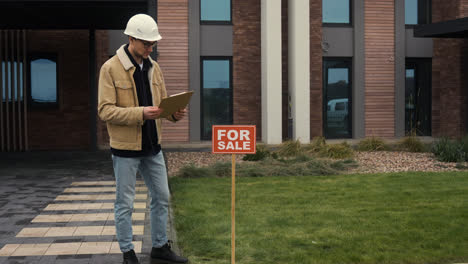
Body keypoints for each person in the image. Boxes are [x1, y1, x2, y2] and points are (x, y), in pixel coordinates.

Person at [98, 13, 188, 264]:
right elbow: (105, 110)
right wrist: (141, 113)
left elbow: (161, 107)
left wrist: (174, 114)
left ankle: (160, 246)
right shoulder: (110, 69)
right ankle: (128, 253)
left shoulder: (154, 67)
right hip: (125, 150)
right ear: (131, 39)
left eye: (153, 44)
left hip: (153, 148)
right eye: (146, 44)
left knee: (162, 196)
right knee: (124, 204)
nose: (150, 48)